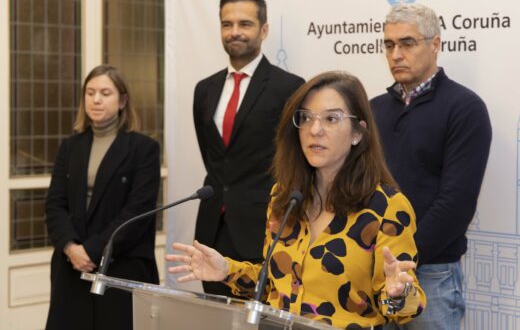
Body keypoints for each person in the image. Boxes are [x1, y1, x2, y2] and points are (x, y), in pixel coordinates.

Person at [169, 71, 427, 329]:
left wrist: (399, 293)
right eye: (306, 118)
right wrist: (226, 270)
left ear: (357, 133)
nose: (315, 130)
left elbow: (401, 309)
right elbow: (273, 283)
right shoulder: (285, 197)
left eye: (331, 118)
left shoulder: (387, 207)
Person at [371, 3, 492, 330]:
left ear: (435, 44)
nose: (396, 54)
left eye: (407, 43)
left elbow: (456, 203)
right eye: (389, 44)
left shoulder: (465, 108)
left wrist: (402, 260)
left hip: (431, 273)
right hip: (375, 272)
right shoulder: (374, 109)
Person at [192, 0, 304, 297]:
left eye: (245, 24)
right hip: (212, 232)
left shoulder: (290, 87)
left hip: (263, 231)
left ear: (264, 30)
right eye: (227, 24)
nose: (235, 32)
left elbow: (295, 161)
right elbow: (215, 159)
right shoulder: (204, 90)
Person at [45, 65, 161, 330]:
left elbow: (137, 212)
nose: (96, 99)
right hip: (71, 267)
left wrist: (93, 250)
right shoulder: (70, 146)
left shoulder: (143, 149)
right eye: (90, 92)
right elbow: (55, 204)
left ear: (122, 100)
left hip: (121, 268)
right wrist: (71, 248)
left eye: (105, 93)